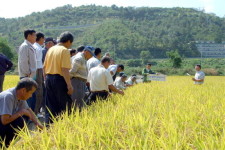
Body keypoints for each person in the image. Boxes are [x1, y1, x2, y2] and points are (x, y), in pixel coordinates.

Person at [0, 78, 43, 148]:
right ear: (23, 90)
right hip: (2, 123)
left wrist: (39, 125)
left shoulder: (19, 96)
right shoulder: (8, 96)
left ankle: (7, 145)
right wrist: (21, 112)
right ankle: (4, 145)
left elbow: (29, 110)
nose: (31, 96)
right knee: (20, 120)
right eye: (31, 93)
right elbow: (4, 121)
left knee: (25, 117)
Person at [43, 31, 74, 124]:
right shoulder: (64, 50)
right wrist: (69, 85)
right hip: (59, 80)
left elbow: (44, 67)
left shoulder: (51, 49)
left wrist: (45, 80)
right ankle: (65, 126)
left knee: (51, 106)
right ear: (68, 41)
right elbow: (65, 69)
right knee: (65, 105)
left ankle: (49, 127)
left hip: (49, 79)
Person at [70, 46, 95, 111]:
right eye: (91, 54)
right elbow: (72, 71)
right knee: (77, 102)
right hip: (77, 82)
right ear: (86, 52)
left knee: (80, 102)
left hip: (80, 82)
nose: (91, 56)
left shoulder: (83, 58)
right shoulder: (79, 58)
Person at [18, 29, 37, 111]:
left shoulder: (29, 46)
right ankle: (27, 118)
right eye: (34, 35)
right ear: (29, 36)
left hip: (30, 76)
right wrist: (27, 73)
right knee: (28, 99)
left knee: (31, 97)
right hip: (27, 76)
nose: (35, 37)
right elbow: (23, 61)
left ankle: (30, 117)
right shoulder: (25, 46)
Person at [33, 32, 45, 114]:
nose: (44, 41)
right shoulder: (38, 48)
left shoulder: (34, 47)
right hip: (38, 70)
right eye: (43, 39)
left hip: (36, 70)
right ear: (40, 38)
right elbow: (37, 62)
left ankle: (36, 110)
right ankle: (36, 111)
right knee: (39, 91)